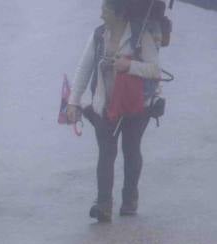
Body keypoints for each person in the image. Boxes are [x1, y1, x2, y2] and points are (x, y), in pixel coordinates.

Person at [65, 0, 163, 223]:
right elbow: (84, 68)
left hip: (136, 106)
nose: (101, 15)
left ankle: (129, 199)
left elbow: (155, 70)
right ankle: (104, 204)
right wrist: (73, 102)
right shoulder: (99, 36)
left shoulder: (141, 35)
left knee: (131, 149)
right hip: (105, 105)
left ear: (119, 13)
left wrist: (129, 66)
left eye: (105, 10)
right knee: (106, 152)